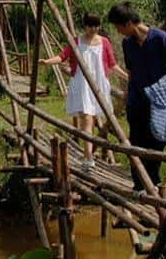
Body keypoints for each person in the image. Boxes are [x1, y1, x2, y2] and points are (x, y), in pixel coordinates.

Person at [106, 2, 166, 191]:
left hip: (158, 102)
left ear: (129, 23)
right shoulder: (127, 43)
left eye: (118, 27)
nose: (118, 31)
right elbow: (131, 71)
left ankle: (153, 183)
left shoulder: (160, 39)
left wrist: (163, 87)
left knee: (157, 143)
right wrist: (129, 94)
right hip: (136, 101)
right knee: (137, 143)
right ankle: (140, 185)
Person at [39, 12, 128, 170]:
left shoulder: (104, 42)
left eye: (96, 25)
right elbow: (62, 57)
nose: (93, 29)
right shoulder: (76, 41)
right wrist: (47, 62)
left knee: (94, 119)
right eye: (90, 25)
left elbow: (112, 64)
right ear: (85, 26)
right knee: (86, 119)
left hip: (99, 84)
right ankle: (88, 156)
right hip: (81, 84)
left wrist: (126, 76)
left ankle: (91, 153)